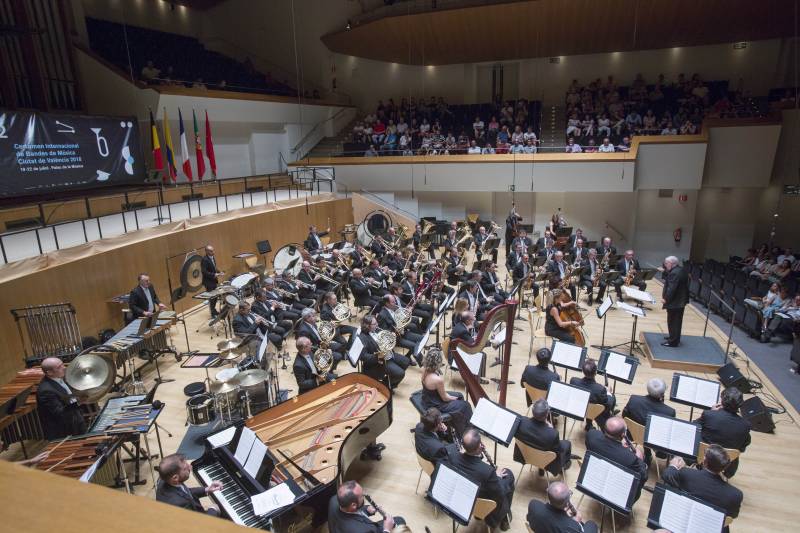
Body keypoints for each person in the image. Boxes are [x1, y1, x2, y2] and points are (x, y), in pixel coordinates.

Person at [445, 429, 515, 531]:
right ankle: (504, 517)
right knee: (509, 475)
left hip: (465, 499)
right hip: (483, 503)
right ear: (479, 447)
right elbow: (499, 494)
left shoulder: (453, 456)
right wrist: (497, 477)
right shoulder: (487, 471)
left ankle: (478, 515)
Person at [585, 417, 648, 501]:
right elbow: (644, 476)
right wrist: (640, 459)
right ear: (623, 435)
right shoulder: (630, 458)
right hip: (616, 491)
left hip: (594, 479)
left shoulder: (592, 435)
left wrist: (619, 446)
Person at [695, 387, 751, 477]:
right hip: (727, 463)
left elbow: (693, 426)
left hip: (703, 455)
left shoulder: (709, 414)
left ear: (722, 401)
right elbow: (743, 447)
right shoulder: (746, 425)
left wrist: (711, 411)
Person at [420, 348, 472, 434]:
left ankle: (454, 423)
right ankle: (467, 429)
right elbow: (445, 398)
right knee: (465, 405)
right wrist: (454, 398)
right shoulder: (437, 380)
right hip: (436, 405)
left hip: (427, 398)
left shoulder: (424, 369)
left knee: (459, 395)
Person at [622, 378, 675, 463]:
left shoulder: (634, 399)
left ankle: (647, 453)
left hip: (633, 435)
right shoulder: (669, 412)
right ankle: (653, 453)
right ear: (662, 394)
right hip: (654, 441)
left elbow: (624, 416)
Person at [514, 400, 572, 475]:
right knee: (567, 444)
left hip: (526, 456)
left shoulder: (521, 422)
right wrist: (551, 429)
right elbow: (558, 451)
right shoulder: (552, 434)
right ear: (547, 414)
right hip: (546, 462)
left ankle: (541, 469)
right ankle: (563, 467)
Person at [36, 357, 87, 440]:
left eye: (62, 364)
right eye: (59, 367)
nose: (64, 368)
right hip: (64, 432)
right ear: (49, 372)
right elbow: (60, 413)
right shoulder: (46, 391)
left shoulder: (58, 377)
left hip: (75, 421)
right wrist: (78, 402)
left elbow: (68, 397)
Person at [155, 453, 222, 516]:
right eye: (185, 468)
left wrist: (206, 489)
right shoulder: (181, 504)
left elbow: (185, 492)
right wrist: (213, 509)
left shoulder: (165, 479)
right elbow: (200, 524)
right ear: (175, 478)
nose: (190, 467)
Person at [327, 480, 404, 533]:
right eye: (361, 496)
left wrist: (367, 510)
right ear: (353, 505)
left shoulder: (334, 500)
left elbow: (352, 511)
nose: (364, 496)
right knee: (400, 521)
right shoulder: (363, 531)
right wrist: (387, 529)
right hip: (367, 529)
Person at [527, 481, 599, 533]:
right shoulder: (571, 527)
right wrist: (578, 523)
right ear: (567, 502)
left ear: (547, 491)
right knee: (592, 524)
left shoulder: (533, 505)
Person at [360, 315, 410, 388]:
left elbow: (387, 336)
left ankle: (388, 382)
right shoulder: (363, 337)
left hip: (389, 354)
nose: (377, 325)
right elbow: (364, 356)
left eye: (376, 322)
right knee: (400, 373)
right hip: (379, 361)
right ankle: (385, 386)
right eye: (374, 324)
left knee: (406, 361)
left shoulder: (377, 329)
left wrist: (392, 336)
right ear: (367, 326)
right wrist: (378, 356)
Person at [570, 358, 616, 429]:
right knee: (612, 398)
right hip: (594, 412)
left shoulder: (573, 381)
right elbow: (608, 403)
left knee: (591, 401)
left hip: (579, 408)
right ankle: (608, 418)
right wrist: (609, 393)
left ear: (583, 371)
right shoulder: (600, 389)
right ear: (595, 373)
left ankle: (589, 424)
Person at [661, 255, 689, 347]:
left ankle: (673, 342)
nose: (665, 265)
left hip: (675, 302)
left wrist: (665, 299)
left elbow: (671, 288)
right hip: (680, 300)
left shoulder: (674, 273)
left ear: (672, 264)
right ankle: (673, 337)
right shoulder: (680, 270)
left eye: (666, 263)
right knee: (675, 321)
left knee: (673, 321)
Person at [201, 245, 224, 317]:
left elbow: (214, 267)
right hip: (208, 282)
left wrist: (219, 272)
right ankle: (212, 313)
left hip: (213, 281)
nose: (213, 252)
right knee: (212, 298)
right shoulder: (204, 260)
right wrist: (214, 274)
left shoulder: (212, 257)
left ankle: (214, 310)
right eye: (211, 251)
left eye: (213, 250)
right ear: (207, 251)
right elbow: (204, 272)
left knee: (215, 297)